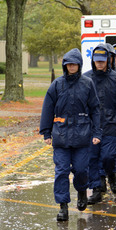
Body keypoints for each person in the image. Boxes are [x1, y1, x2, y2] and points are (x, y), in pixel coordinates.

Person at [40, 48, 102, 221]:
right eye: (69, 64)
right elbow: (47, 109)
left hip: (82, 136)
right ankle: (63, 206)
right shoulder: (57, 85)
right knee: (61, 172)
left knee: (81, 170)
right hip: (61, 136)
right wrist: (46, 132)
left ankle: (82, 191)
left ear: (79, 65)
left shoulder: (87, 84)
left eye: (74, 64)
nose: (71, 67)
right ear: (65, 66)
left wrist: (97, 132)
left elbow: (95, 110)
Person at [83, 46, 116, 204]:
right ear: (93, 61)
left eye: (102, 61)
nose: (100, 64)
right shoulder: (86, 79)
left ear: (108, 61)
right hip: (90, 127)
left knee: (109, 157)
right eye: (97, 61)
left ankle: (111, 175)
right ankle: (97, 187)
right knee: (92, 159)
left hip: (110, 125)